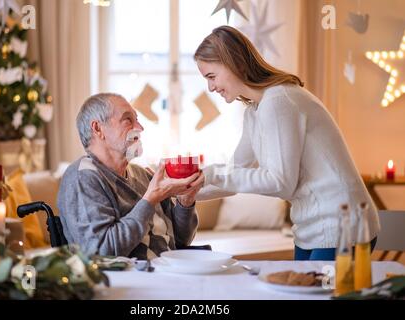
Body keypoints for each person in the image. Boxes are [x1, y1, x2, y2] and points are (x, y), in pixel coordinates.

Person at [194, 26, 380, 260]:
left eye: (212, 76)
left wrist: (211, 174)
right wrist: (187, 190)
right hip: (310, 227)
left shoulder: (279, 100)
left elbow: (280, 182)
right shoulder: (254, 111)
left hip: (343, 224)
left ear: (235, 64)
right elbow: (235, 175)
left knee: (316, 297)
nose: (210, 87)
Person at [57, 93, 203, 259]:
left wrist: (186, 202)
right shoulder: (82, 177)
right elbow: (101, 252)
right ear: (98, 129)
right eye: (128, 120)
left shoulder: (142, 174)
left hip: (167, 272)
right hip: (127, 279)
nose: (140, 128)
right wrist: (149, 200)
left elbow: (180, 241)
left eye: (137, 120)